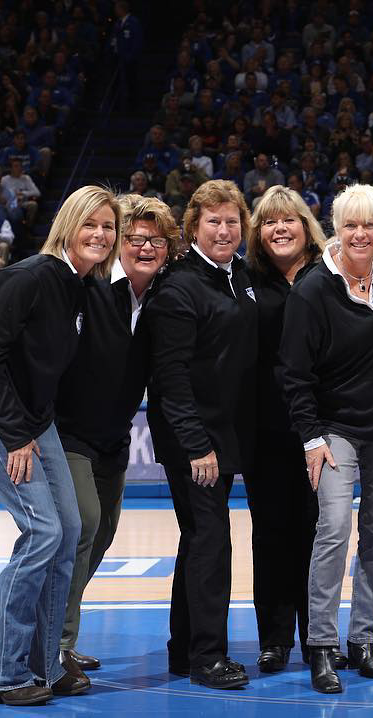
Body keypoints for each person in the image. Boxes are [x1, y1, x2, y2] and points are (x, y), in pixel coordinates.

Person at [0, 185, 120, 706]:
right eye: (90, 224)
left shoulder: (81, 285)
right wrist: (17, 434)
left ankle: (44, 664)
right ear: (66, 226)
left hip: (33, 417)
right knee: (43, 533)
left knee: (68, 530)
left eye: (107, 227)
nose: (100, 234)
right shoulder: (30, 276)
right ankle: (1, 674)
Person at [279, 184, 373, 694]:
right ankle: (322, 645)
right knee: (333, 527)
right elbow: (294, 370)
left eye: (369, 225)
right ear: (336, 228)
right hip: (334, 432)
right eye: (350, 225)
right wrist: (311, 437)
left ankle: (364, 639)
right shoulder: (314, 287)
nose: (360, 234)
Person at [56, 195, 180, 676]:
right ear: (118, 242)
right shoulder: (87, 287)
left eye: (156, 240)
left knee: (103, 533)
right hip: (68, 433)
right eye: (135, 238)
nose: (145, 247)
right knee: (82, 525)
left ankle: (58, 632)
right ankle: (55, 644)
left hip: (115, 437)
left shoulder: (166, 297)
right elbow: (35, 311)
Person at [145, 180, 257, 690]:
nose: (224, 229)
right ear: (193, 228)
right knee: (211, 542)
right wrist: (196, 445)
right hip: (195, 442)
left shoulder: (239, 277)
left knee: (198, 541)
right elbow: (170, 376)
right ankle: (208, 656)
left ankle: (184, 649)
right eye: (213, 221)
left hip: (223, 436)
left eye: (232, 221)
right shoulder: (179, 286)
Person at [242, 185, 328, 674]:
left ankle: (319, 636)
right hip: (266, 431)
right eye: (269, 221)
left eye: (288, 219)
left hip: (323, 429)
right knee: (270, 536)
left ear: (305, 225)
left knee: (320, 535)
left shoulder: (329, 273)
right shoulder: (247, 278)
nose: (279, 228)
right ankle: (274, 639)